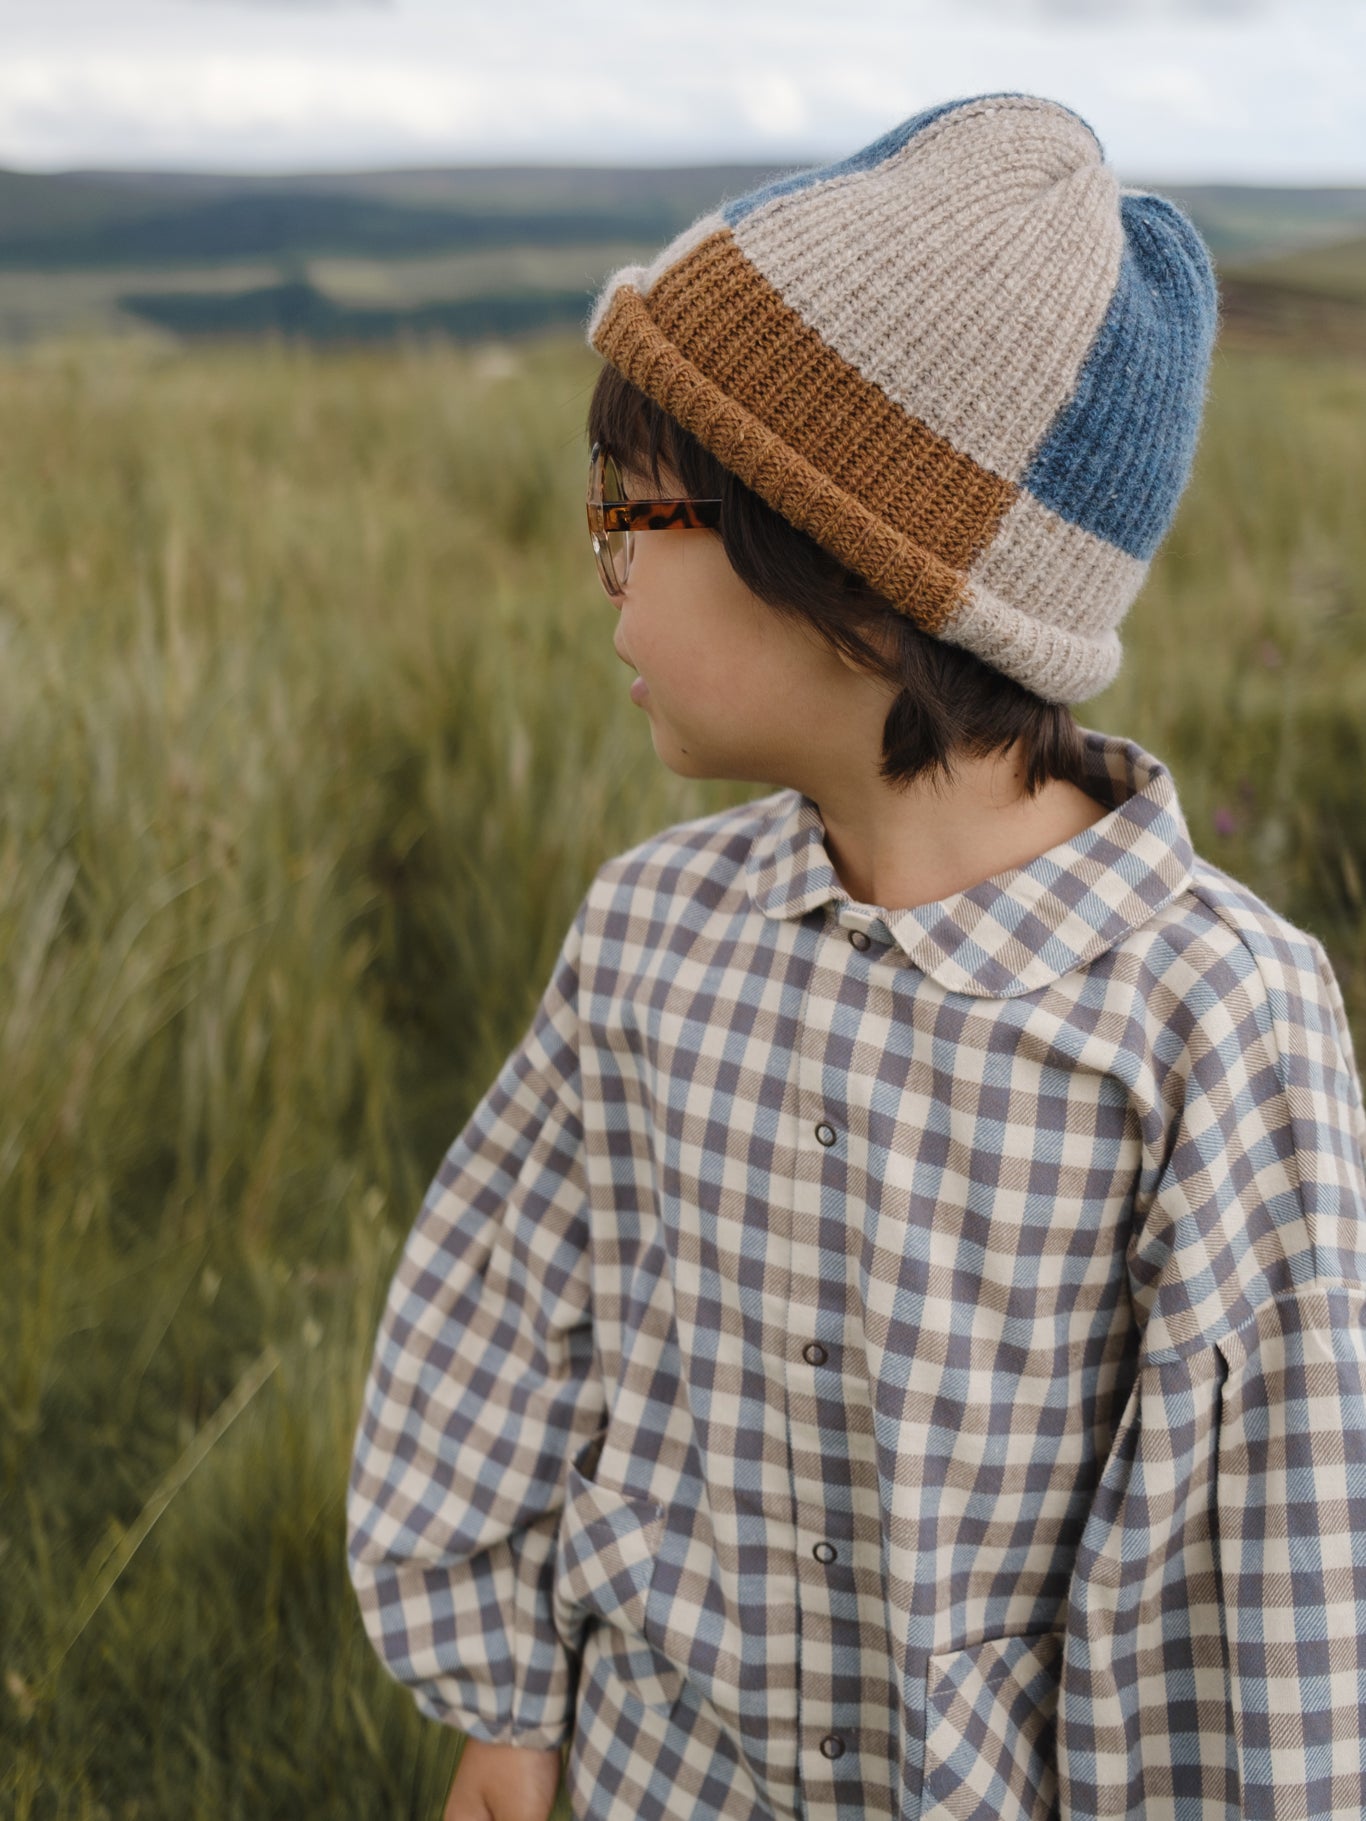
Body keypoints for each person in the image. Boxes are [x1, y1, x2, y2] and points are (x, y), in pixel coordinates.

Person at [347, 91, 1366, 1821]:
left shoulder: (1213, 1024)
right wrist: (504, 1711)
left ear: (843, 572)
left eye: (633, 509)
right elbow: (513, 1321)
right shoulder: (650, 932)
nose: (599, 571)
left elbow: (1244, 1575)